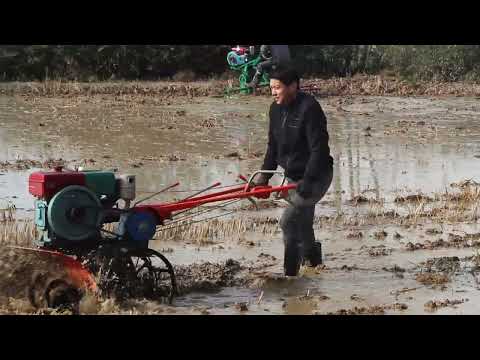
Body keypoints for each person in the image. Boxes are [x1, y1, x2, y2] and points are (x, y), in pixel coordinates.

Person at [254, 65, 333, 277]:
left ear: (293, 86)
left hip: (317, 175)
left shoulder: (309, 108)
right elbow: (273, 147)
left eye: (277, 88)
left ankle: (290, 275)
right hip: (293, 175)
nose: (273, 92)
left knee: (289, 222)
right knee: (303, 222)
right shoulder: (275, 109)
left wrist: (308, 181)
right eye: (271, 87)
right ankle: (314, 262)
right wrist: (264, 176)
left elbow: (319, 149)